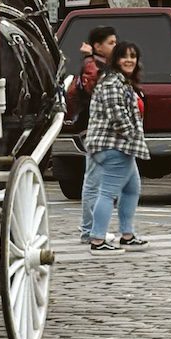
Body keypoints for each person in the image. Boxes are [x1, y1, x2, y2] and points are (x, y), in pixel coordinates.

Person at [85, 41, 150, 252]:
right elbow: (118, 117)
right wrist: (134, 137)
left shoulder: (120, 82)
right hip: (115, 146)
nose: (130, 60)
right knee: (107, 193)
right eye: (125, 56)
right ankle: (97, 238)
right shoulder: (113, 83)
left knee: (132, 189)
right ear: (116, 60)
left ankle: (127, 234)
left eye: (133, 56)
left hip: (118, 146)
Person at [71, 25, 117, 243]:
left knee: (99, 181)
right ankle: (89, 230)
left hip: (98, 128)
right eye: (111, 43)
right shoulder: (94, 66)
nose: (114, 46)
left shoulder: (98, 64)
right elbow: (98, 95)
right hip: (95, 128)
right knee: (94, 182)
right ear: (98, 46)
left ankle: (92, 228)